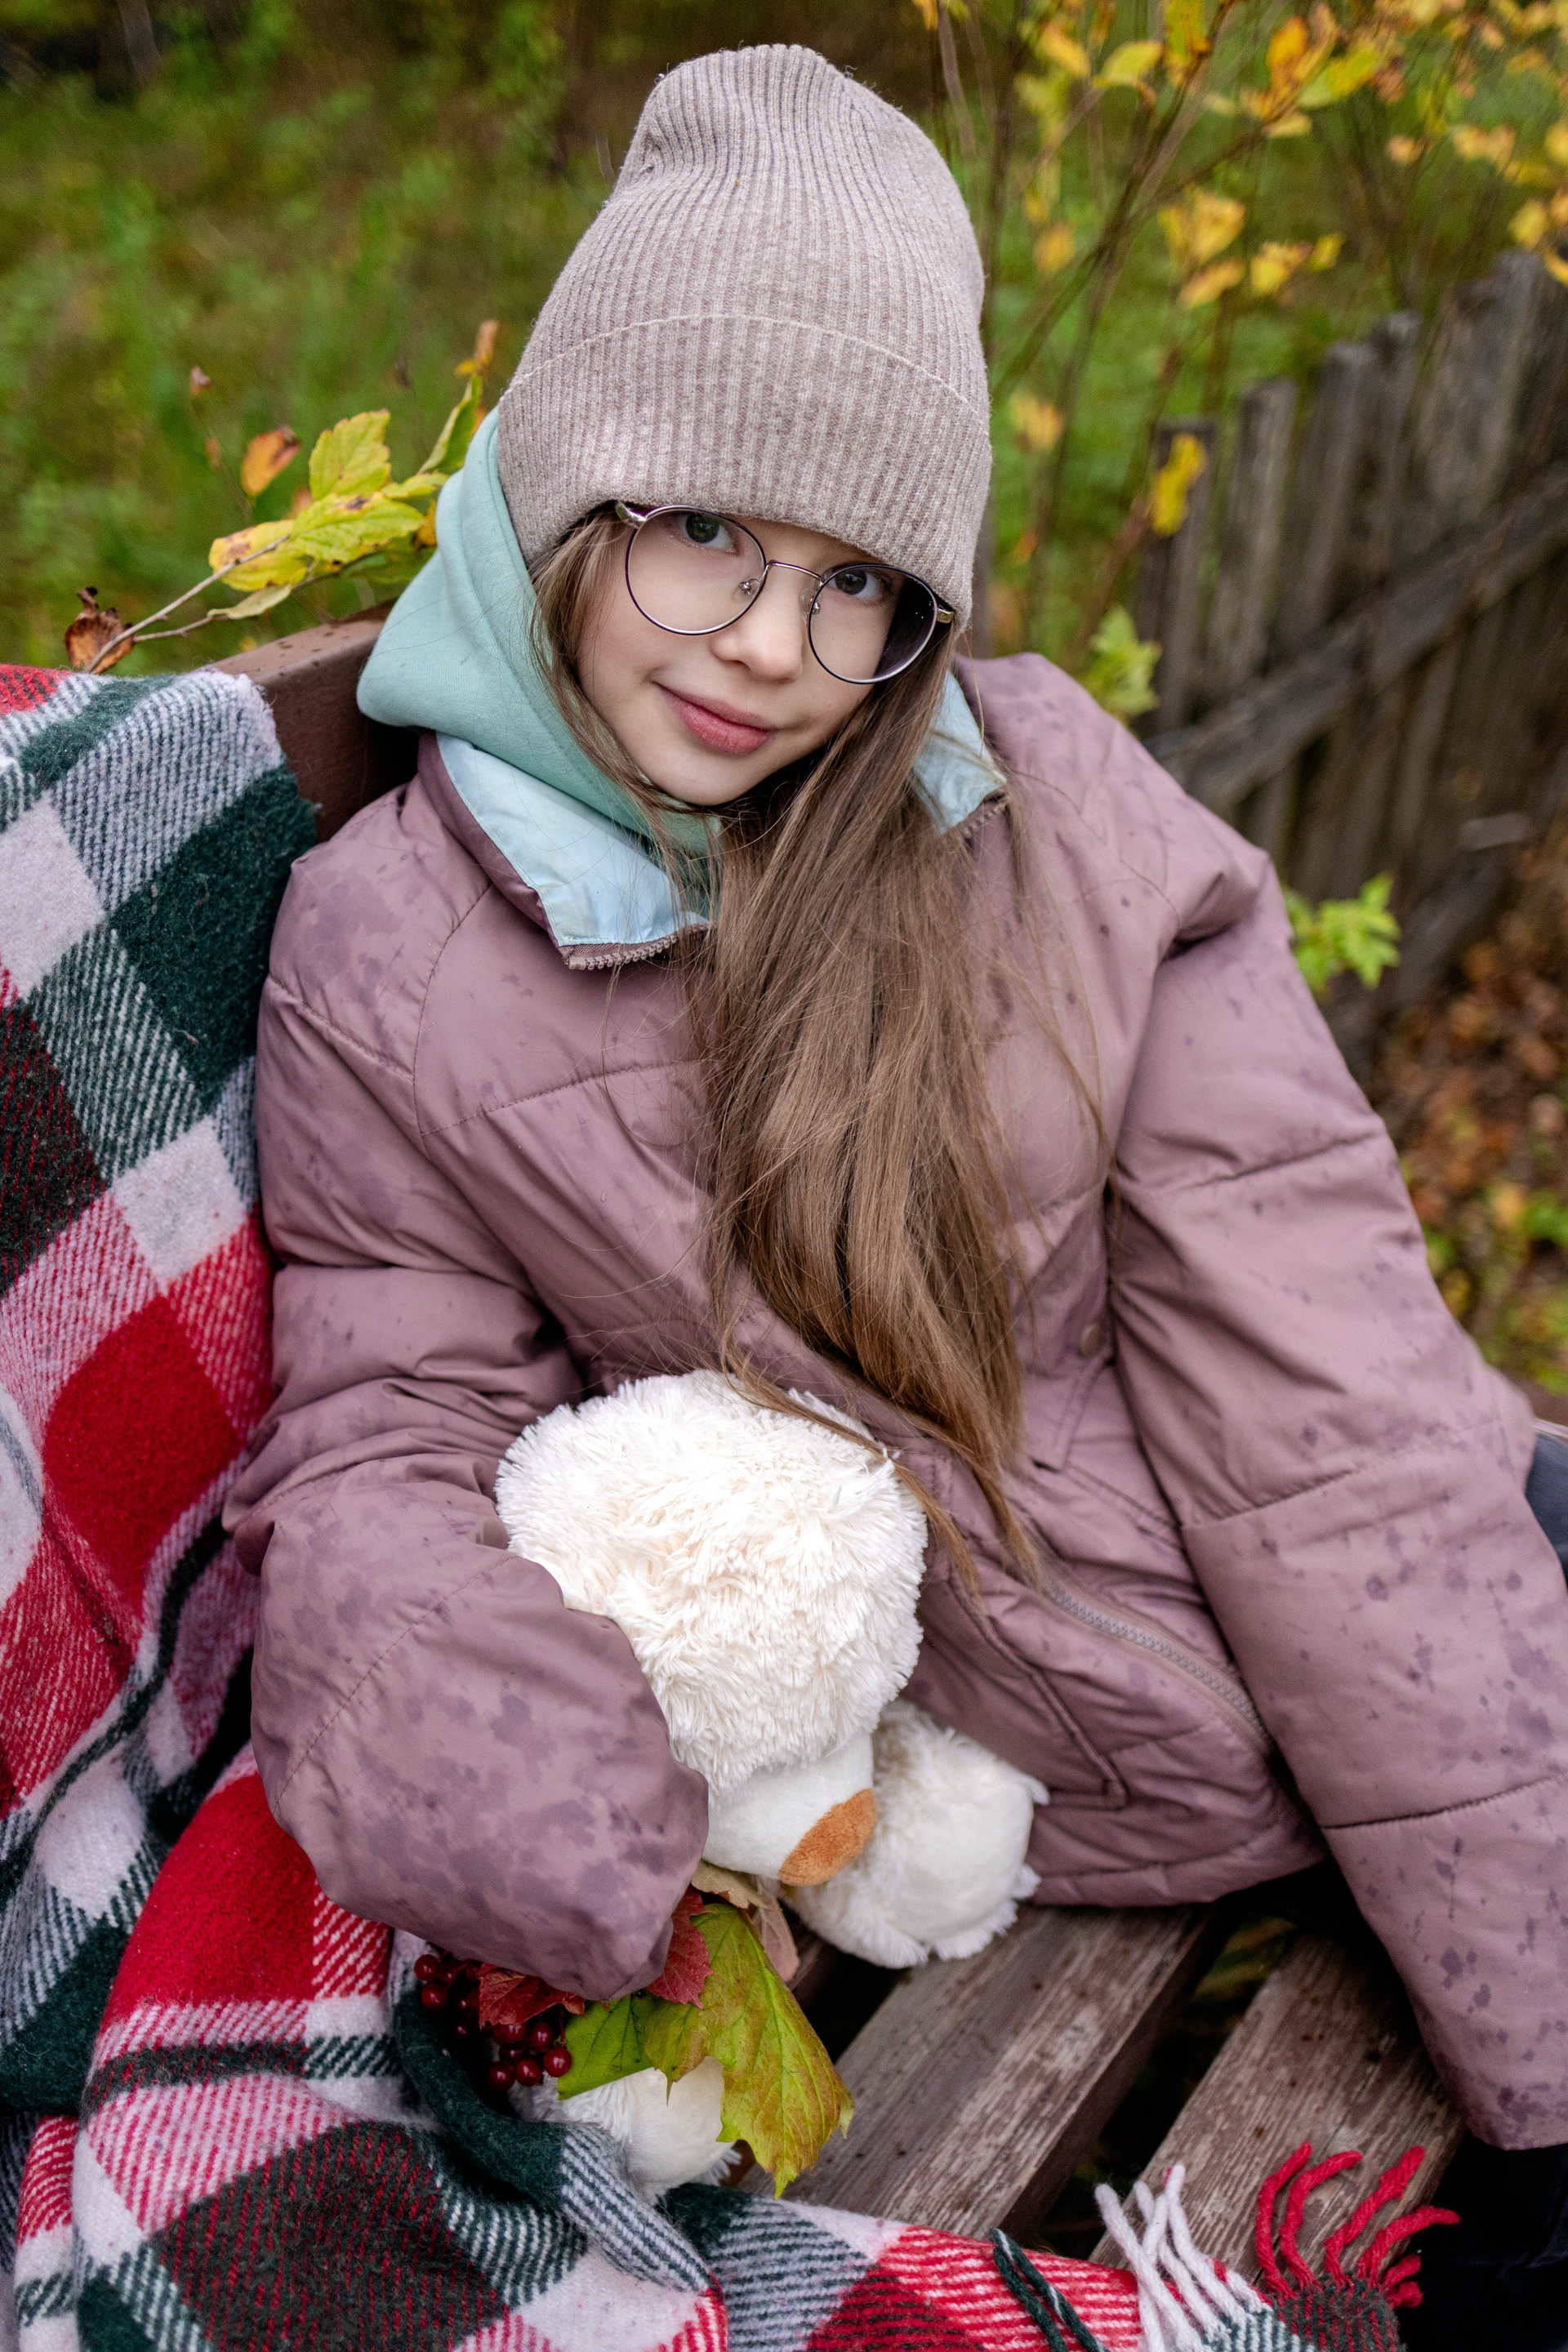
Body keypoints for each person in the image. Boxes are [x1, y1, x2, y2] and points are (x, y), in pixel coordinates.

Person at [225, 44, 1568, 2344]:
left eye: (858, 580)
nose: (773, 646)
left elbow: (1334, 1415)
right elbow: (388, 1429)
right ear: (570, 487)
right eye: (706, 530)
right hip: (1099, 1784)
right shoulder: (391, 963)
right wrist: (528, 1784)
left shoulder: (1052, 816)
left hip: (1436, 1619)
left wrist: (1541, 2077)